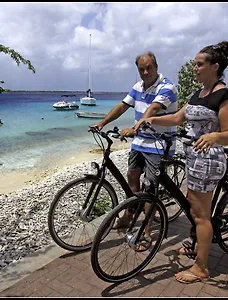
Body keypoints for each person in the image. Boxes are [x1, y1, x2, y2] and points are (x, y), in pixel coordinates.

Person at [134, 41, 228, 283]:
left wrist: (214, 136)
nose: (194, 68)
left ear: (215, 67)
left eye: (199, 64)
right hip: (193, 158)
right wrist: (149, 121)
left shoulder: (223, 95)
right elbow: (176, 118)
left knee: (200, 216)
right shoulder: (198, 94)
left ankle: (202, 267)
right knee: (194, 208)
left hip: (208, 160)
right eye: (195, 64)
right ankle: (197, 245)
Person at [93, 51, 178, 251]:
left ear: (156, 67)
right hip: (139, 142)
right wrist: (102, 122)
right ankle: (130, 213)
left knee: (149, 188)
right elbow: (123, 106)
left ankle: (146, 233)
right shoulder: (138, 87)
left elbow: (153, 110)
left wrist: (134, 128)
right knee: (132, 178)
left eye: (149, 67)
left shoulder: (167, 87)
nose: (146, 72)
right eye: (141, 69)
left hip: (158, 144)